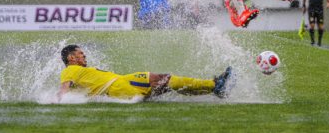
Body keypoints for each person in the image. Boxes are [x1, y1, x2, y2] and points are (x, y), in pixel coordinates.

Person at [58, 45, 232, 101]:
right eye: (80, 53)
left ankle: (214, 87)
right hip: (119, 86)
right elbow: (65, 88)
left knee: (168, 83)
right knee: (165, 80)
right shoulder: (70, 70)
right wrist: (59, 101)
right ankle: (214, 85)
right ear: (71, 58)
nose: (84, 55)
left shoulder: (78, 70)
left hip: (122, 84)